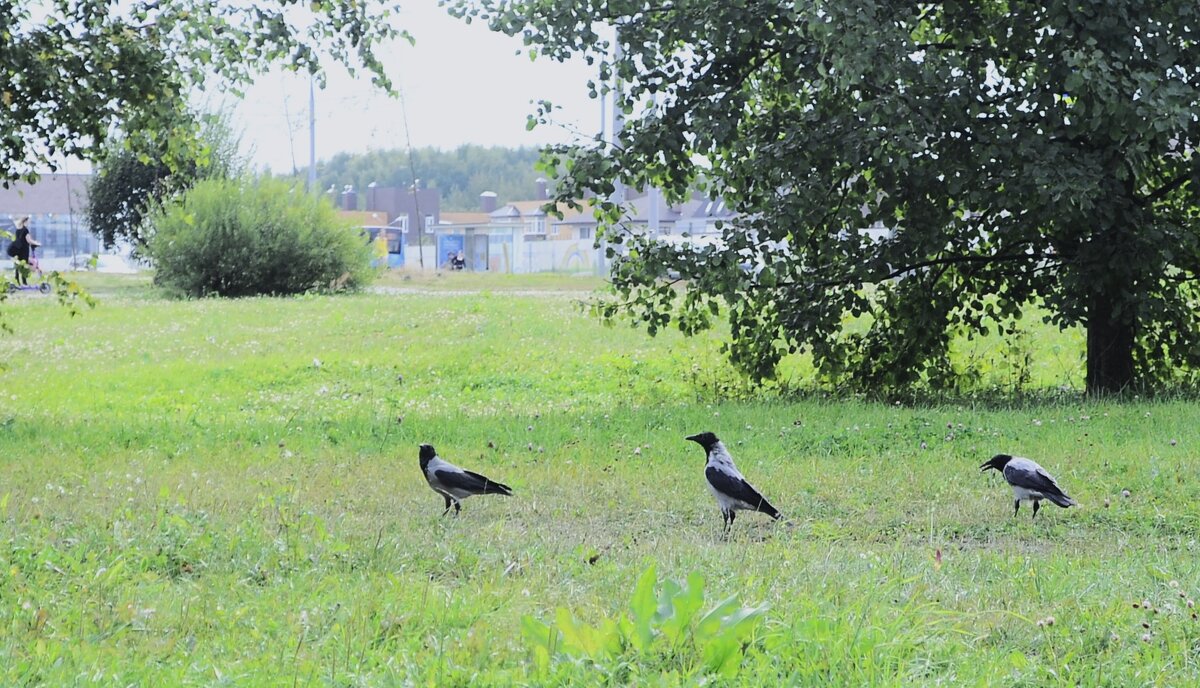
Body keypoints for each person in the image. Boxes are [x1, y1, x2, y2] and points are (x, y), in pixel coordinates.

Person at [8, 216, 38, 286]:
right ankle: (24, 282)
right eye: (28, 222)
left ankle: (17, 280)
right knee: (25, 265)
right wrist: (36, 243)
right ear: (25, 222)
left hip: (18, 250)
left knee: (19, 265)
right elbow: (29, 240)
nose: (29, 223)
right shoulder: (25, 230)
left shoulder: (18, 230)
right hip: (24, 250)